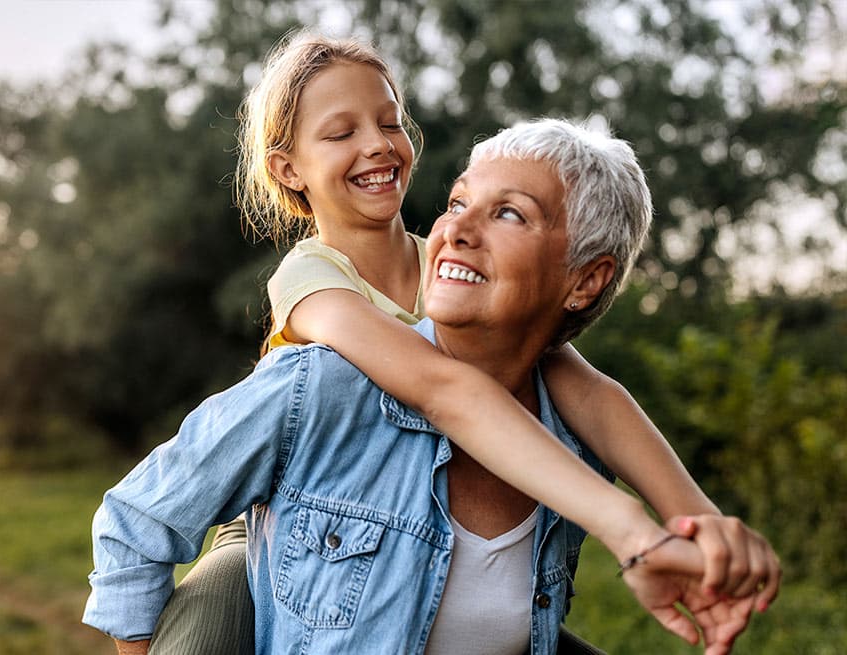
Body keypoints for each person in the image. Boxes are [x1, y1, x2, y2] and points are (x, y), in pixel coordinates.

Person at [133, 34, 776, 655]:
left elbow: (586, 389)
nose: (377, 145)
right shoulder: (312, 283)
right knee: (204, 629)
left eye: (390, 122)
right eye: (341, 133)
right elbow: (444, 389)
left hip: (417, 531)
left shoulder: (443, 259)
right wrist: (629, 530)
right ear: (288, 170)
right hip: (278, 523)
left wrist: (698, 521)